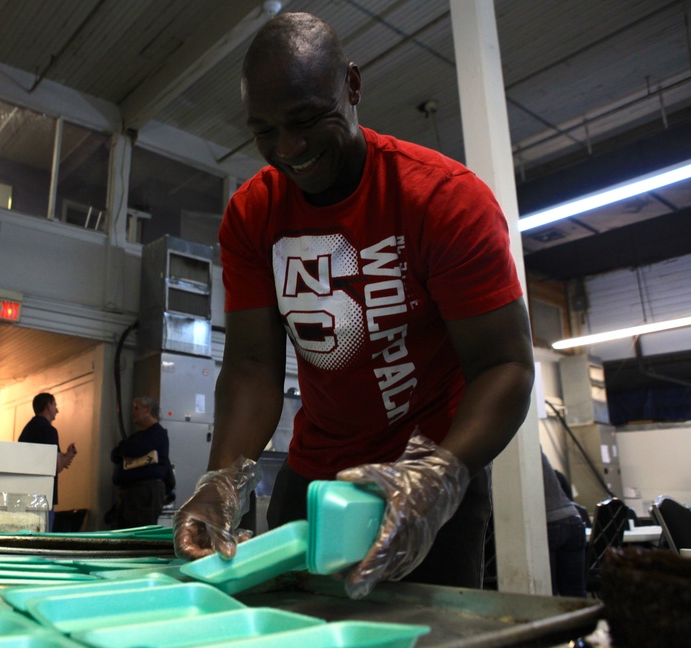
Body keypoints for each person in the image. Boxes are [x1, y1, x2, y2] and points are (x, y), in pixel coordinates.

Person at [173, 12, 536, 600]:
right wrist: (221, 480)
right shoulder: (253, 214)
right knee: (289, 641)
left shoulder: (443, 200)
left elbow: (506, 366)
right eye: (264, 130)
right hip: (313, 482)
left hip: (424, 487)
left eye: (308, 119)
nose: (288, 150)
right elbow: (251, 369)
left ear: (354, 85)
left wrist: (439, 475)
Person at [111, 396, 171, 528]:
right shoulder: (138, 437)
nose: (133, 412)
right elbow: (115, 455)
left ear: (147, 410)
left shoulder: (157, 434)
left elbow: (132, 449)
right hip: (130, 495)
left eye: (136, 408)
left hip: (144, 496)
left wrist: (124, 450)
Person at [18, 393, 77, 523]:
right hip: (43, 496)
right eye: (55, 405)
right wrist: (68, 457)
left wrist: (66, 456)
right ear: (48, 405)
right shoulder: (49, 430)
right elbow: (55, 465)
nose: (57, 409)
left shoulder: (27, 429)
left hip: (23, 494)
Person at [541, 450, 587, 597]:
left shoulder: (511, 450)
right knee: (575, 592)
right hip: (574, 519)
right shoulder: (534, 446)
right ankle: (586, 620)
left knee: (549, 595)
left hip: (549, 523)